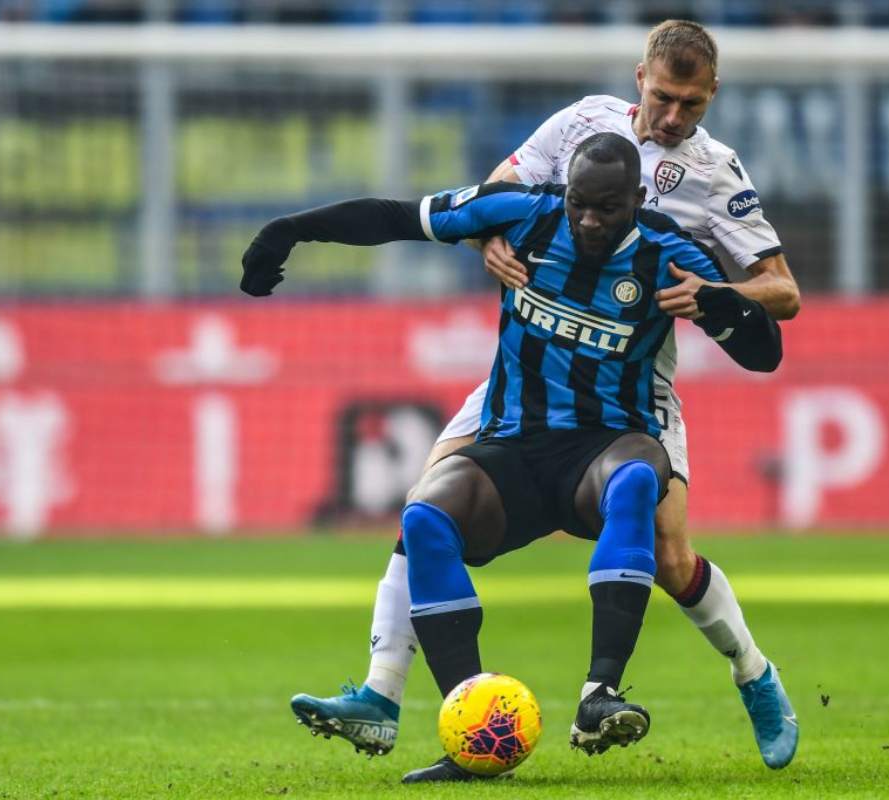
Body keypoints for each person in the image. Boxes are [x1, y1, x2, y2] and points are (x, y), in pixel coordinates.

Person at [283, 19, 801, 771]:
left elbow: (782, 293)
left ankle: (754, 674)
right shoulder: (579, 124)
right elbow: (494, 193)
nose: (673, 117)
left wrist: (713, 293)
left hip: (629, 390)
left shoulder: (716, 174)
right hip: (525, 378)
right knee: (428, 510)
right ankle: (383, 694)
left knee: (669, 554)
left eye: (691, 104)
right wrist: (483, 238)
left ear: (712, 96)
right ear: (639, 80)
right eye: (663, 97)